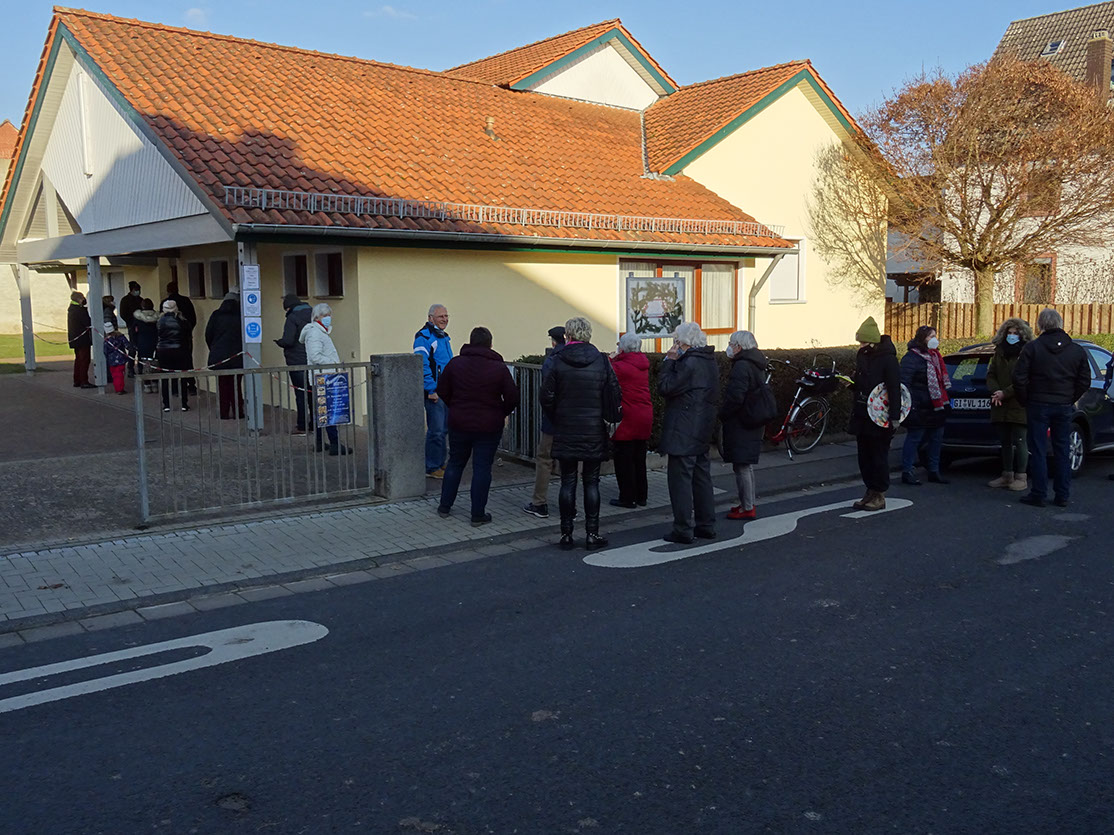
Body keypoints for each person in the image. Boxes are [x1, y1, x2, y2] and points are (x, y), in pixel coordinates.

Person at [540, 316, 621, 551]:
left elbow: (546, 396)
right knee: (591, 481)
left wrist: (558, 417)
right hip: (593, 429)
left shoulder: (557, 360)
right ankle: (592, 533)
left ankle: (566, 534)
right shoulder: (601, 361)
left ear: (568, 336)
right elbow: (614, 393)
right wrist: (607, 419)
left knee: (567, 480)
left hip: (566, 427)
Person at [435, 327, 519, 526]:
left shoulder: (455, 364)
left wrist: (455, 406)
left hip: (459, 422)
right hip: (489, 425)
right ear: (490, 343)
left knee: (455, 462)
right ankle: (477, 514)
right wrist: (501, 412)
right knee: (482, 468)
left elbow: (442, 390)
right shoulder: (499, 368)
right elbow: (513, 396)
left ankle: (444, 506)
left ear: (470, 342)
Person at [1012, 308, 1090, 508]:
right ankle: (1062, 494)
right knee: (1062, 449)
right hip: (1063, 404)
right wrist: (1070, 397)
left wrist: (1025, 400)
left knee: (1038, 450)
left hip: (1038, 404)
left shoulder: (1032, 348)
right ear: (1060, 324)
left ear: (1040, 325)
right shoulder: (1076, 350)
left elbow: (1019, 378)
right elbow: (1084, 380)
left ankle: (1039, 493)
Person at [659, 321, 720, 544]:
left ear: (683, 343)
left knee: (680, 480)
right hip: (702, 426)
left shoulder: (688, 363)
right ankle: (706, 525)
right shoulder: (709, 361)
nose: (675, 345)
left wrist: (668, 362)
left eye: (676, 341)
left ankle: (683, 528)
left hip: (683, 428)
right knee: (702, 477)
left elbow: (665, 387)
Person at [848, 316, 901, 511]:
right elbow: (864, 383)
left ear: (872, 341)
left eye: (863, 342)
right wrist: (852, 385)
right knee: (865, 456)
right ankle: (870, 490)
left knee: (878, 456)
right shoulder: (863, 356)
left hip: (880, 417)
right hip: (863, 414)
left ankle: (879, 494)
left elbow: (894, 388)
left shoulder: (888, 360)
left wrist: (894, 417)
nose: (860, 346)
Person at [719, 330, 767, 521]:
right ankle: (748, 503)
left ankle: (747, 506)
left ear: (739, 346)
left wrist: (723, 414)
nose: (729, 347)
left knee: (741, 465)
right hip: (753, 418)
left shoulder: (741, 366)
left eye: (731, 343)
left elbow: (736, 397)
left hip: (741, 420)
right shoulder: (757, 363)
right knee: (746, 464)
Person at [986, 317, 1034, 492]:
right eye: (1009, 333)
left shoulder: (1027, 352)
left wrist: (1005, 393)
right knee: (1004, 441)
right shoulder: (999, 351)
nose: (1012, 336)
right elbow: (991, 374)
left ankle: (1021, 476)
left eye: (1015, 333)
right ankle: (1007, 474)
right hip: (1000, 402)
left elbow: (1026, 378)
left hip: (1019, 401)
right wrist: (996, 391)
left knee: (1020, 439)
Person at [899, 325, 951, 486]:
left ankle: (933, 471)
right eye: (930, 337)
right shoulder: (911, 358)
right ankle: (907, 471)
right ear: (922, 339)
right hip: (919, 406)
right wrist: (910, 406)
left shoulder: (936, 356)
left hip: (936, 406)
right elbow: (904, 384)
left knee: (936, 438)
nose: (934, 339)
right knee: (914, 438)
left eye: (935, 336)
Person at [523, 326, 566, 518]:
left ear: (553, 341)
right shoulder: (580, 358)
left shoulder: (552, 361)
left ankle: (539, 503)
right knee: (570, 462)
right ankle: (569, 505)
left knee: (544, 460)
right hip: (573, 420)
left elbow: (547, 391)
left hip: (552, 420)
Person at [300, 303, 350, 456]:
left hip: (323, 377)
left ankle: (320, 443)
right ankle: (334, 443)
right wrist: (333, 363)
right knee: (329, 411)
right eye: (325, 315)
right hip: (324, 377)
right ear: (317, 317)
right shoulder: (315, 333)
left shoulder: (320, 332)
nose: (328, 318)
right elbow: (315, 356)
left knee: (322, 411)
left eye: (329, 315)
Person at [609, 331, 652, 509]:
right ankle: (642, 496)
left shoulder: (621, 367)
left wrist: (612, 358)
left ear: (624, 348)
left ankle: (627, 497)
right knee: (639, 458)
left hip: (628, 416)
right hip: (644, 414)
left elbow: (607, 372)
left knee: (624, 459)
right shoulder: (643, 363)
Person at [413, 304, 453, 478]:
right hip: (434, 392)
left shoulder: (443, 336)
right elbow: (422, 365)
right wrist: (430, 389)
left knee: (443, 430)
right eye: (440, 316)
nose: (444, 319)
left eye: (446, 316)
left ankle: (440, 463)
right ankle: (432, 467)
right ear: (431, 318)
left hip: (445, 390)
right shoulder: (424, 337)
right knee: (436, 431)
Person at [275, 294, 314, 435]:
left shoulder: (292, 318)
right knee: (312, 393)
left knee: (301, 393)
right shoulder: (314, 315)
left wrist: (280, 342)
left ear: (289, 307)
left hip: (297, 361)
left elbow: (289, 340)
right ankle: (315, 424)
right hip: (313, 360)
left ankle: (302, 426)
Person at [205, 290, 245, 420]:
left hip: (220, 356)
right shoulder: (241, 316)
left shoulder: (216, 315)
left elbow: (208, 334)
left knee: (222, 386)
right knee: (236, 385)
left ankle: (223, 413)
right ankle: (238, 412)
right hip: (237, 356)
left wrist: (214, 348)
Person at [162, 281, 197, 394]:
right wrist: (188, 331)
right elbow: (193, 319)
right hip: (185, 339)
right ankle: (191, 386)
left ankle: (176, 388)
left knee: (171, 365)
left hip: (167, 342)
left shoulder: (164, 304)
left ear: (168, 290)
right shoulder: (186, 301)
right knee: (187, 362)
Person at [156, 300, 191, 412]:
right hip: (180, 350)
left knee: (165, 378)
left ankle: (166, 404)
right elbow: (188, 337)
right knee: (182, 378)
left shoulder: (159, 322)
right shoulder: (183, 321)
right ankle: (184, 404)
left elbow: (156, 337)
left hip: (163, 351)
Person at [67, 291, 95, 389]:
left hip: (75, 338)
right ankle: (84, 381)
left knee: (78, 360)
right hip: (82, 339)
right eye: (82, 298)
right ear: (79, 299)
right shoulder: (80, 310)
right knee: (84, 360)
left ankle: (77, 380)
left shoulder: (71, 310)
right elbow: (87, 322)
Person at [133, 299, 159, 393]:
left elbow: (134, 332)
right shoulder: (157, 317)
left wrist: (135, 343)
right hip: (155, 342)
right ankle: (155, 383)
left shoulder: (138, 318)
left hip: (142, 343)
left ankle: (146, 384)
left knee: (143, 363)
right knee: (155, 362)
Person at [119, 280, 143, 378]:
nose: (138, 291)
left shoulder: (141, 299)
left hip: (141, 326)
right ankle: (131, 368)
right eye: (136, 290)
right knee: (132, 348)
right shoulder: (125, 300)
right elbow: (123, 314)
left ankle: (141, 367)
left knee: (141, 348)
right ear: (132, 290)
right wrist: (130, 322)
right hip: (132, 326)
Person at [102, 322, 132, 395]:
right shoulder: (120, 337)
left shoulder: (106, 341)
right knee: (120, 374)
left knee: (115, 375)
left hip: (111, 360)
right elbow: (127, 345)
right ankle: (120, 388)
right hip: (121, 359)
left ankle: (118, 388)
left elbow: (105, 351)